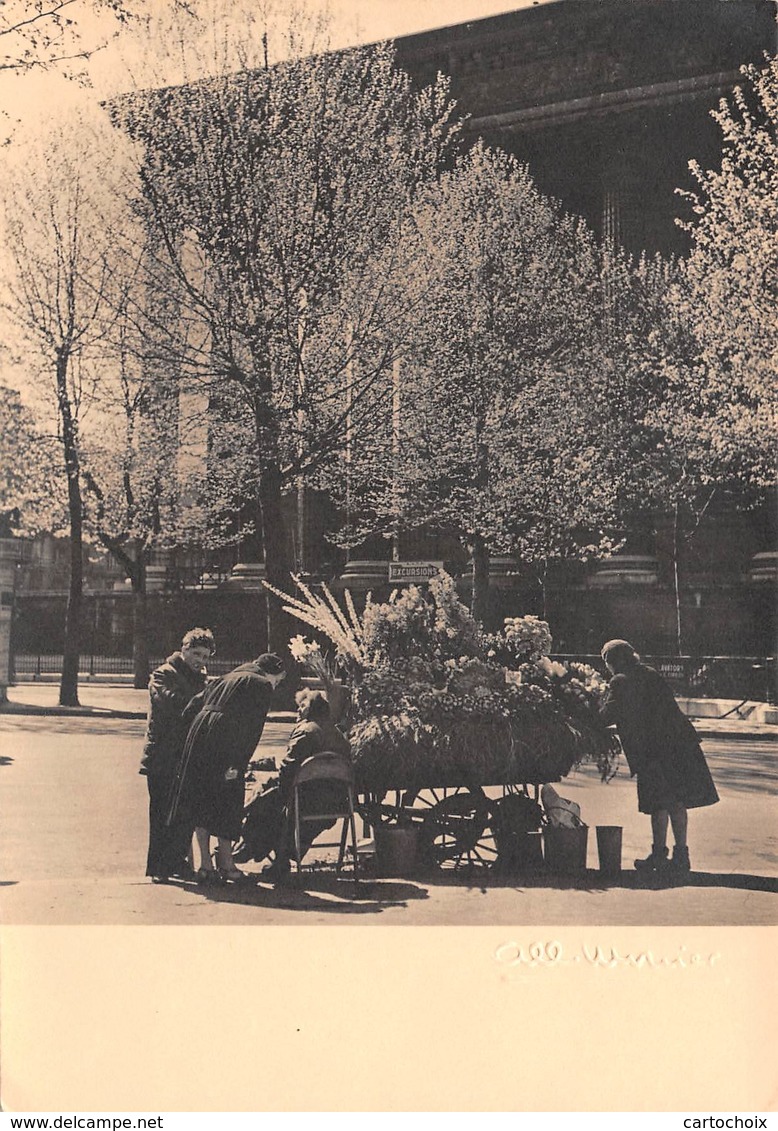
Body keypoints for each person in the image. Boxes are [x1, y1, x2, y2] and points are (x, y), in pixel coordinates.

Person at [599, 638, 719, 873]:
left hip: (655, 751)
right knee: (675, 801)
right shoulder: (649, 673)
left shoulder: (621, 681)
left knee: (658, 803)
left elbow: (606, 716)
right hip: (680, 745)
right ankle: (680, 856)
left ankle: (659, 856)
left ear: (612, 661)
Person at [167, 652, 287, 883]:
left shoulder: (224, 678)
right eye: (279, 679)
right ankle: (227, 864)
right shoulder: (261, 684)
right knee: (230, 800)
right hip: (226, 742)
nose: (277, 684)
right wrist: (238, 763)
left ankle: (205, 864)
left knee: (201, 800)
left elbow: (191, 707)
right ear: (271, 673)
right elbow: (252, 728)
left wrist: (190, 742)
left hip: (199, 738)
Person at [236, 690, 352, 884]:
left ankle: (250, 846)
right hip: (336, 804)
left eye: (303, 707)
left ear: (313, 709)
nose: (299, 711)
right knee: (272, 797)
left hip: (303, 802)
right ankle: (262, 851)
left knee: (269, 798)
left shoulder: (305, 730)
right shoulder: (339, 735)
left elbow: (288, 771)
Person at [140, 627, 215, 882]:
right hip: (162, 755)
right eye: (196, 653)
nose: (200, 661)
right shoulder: (163, 674)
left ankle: (177, 862)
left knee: (186, 812)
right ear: (183, 649)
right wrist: (205, 700)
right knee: (161, 812)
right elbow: (172, 703)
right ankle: (159, 868)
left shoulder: (200, 679)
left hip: (186, 756)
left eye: (205, 657)